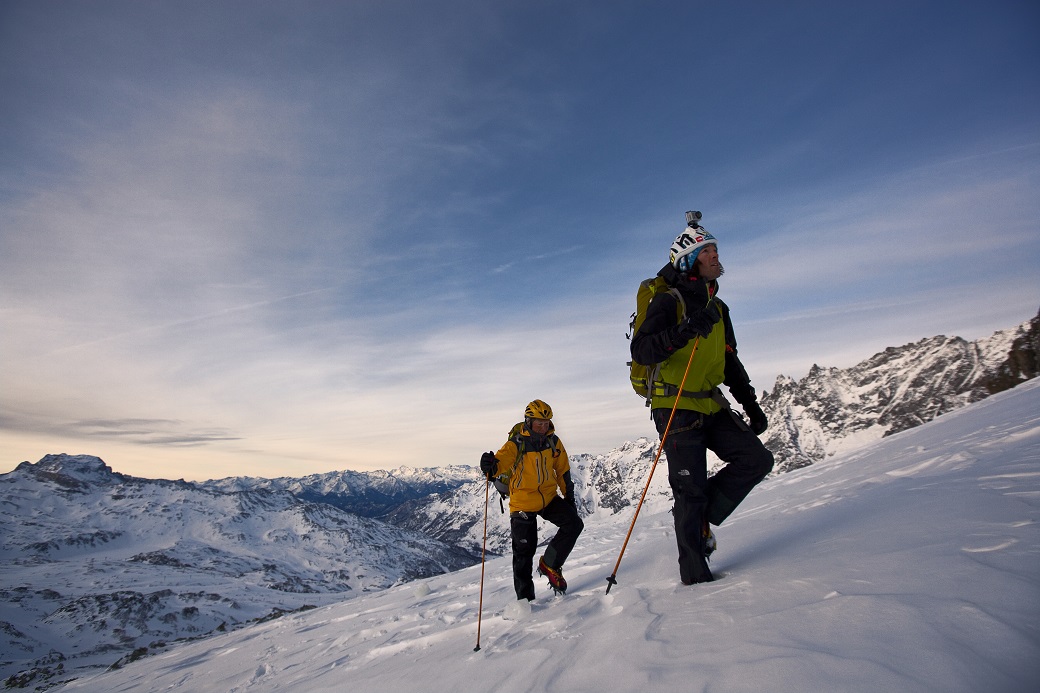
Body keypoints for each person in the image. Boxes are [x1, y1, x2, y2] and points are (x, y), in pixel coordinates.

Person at [630, 221, 774, 585]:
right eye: (706, 252)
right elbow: (643, 350)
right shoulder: (669, 301)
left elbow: (729, 362)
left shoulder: (719, 308)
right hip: (674, 406)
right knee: (689, 492)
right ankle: (695, 579)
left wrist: (750, 405)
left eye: (715, 250)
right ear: (689, 261)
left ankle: (698, 520)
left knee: (756, 460)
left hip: (709, 403)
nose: (715, 256)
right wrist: (688, 328)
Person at [480, 400, 584, 600]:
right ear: (528, 421)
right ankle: (525, 601)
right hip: (523, 502)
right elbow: (500, 463)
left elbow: (562, 470)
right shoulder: (516, 443)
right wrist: (489, 466)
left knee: (574, 524)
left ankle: (550, 564)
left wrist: (568, 498)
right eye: (539, 423)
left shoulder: (553, 441)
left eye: (546, 423)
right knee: (524, 554)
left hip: (548, 497)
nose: (543, 427)